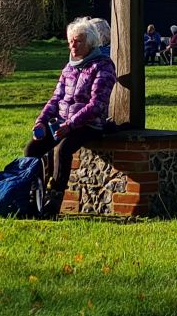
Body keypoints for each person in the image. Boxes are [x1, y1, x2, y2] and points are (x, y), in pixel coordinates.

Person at [25, 17, 116, 216]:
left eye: (79, 41)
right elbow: (56, 98)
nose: (73, 45)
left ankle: (54, 201)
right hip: (61, 122)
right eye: (71, 41)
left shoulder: (103, 66)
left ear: (91, 43)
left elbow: (96, 105)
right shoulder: (69, 68)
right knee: (32, 148)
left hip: (88, 124)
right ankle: (34, 196)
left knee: (62, 149)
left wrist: (70, 125)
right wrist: (40, 122)